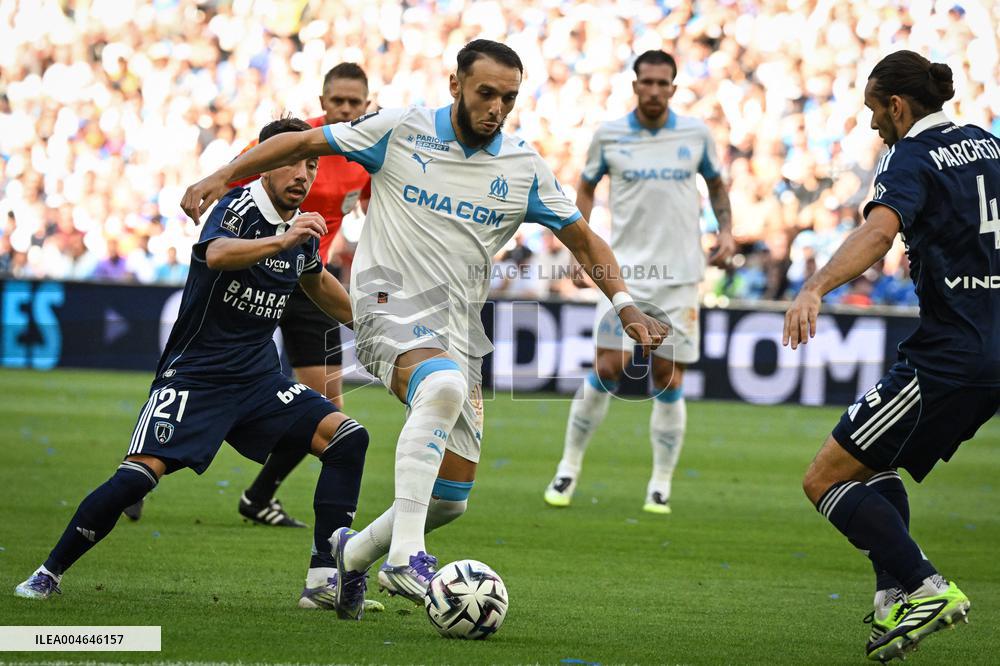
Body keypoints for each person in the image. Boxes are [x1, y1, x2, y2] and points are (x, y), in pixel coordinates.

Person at [181, 39, 669, 620]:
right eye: (486, 93)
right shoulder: (401, 129)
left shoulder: (520, 166)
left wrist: (626, 304)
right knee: (440, 387)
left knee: (449, 499)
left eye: (508, 98)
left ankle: (351, 556)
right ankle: (406, 556)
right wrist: (222, 174)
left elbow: (582, 238)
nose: (496, 108)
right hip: (384, 305)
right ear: (456, 85)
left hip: (459, 330)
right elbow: (305, 140)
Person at [15, 118, 374, 614]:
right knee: (137, 478)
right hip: (196, 376)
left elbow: (317, 285)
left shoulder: (302, 231)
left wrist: (375, 324)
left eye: (310, 164)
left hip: (259, 380)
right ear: (264, 163)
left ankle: (322, 581)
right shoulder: (238, 207)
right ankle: (47, 572)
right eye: (291, 160)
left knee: (348, 437)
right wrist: (282, 241)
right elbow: (219, 255)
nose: (302, 173)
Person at [784, 50, 1000, 662]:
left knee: (823, 478)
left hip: (948, 355)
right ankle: (893, 597)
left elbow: (879, 233)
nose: (873, 124)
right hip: (992, 350)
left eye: (874, 111)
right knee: (875, 466)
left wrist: (813, 288)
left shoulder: (908, 156)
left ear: (898, 107)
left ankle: (926, 586)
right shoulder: (988, 145)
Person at [124, 63, 374, 529]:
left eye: (353, 102)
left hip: (308, 277)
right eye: (336, 100)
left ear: (367, 105)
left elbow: (375, 211)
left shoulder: (366, 157)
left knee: (330, 410)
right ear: (322, 102)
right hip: (253, 266)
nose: (344, 108)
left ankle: (259, 496)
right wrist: (215, 190)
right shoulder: (295, 145)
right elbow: (236, 179)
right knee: (199, 372)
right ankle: (141, 466)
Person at [542, 50, 734, 514]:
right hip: (623, 274)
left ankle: (660, 484)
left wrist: (726, 230)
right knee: (607, 368)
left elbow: (717, 185)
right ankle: (568, 468)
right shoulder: (609, 135)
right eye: (645, 82)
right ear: (635, 86)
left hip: (682, 274)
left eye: (661, 83)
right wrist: (579, 243)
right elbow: (585, 186)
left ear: (673, 87)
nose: (653, 90)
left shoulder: (696, 133)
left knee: (667, 376)